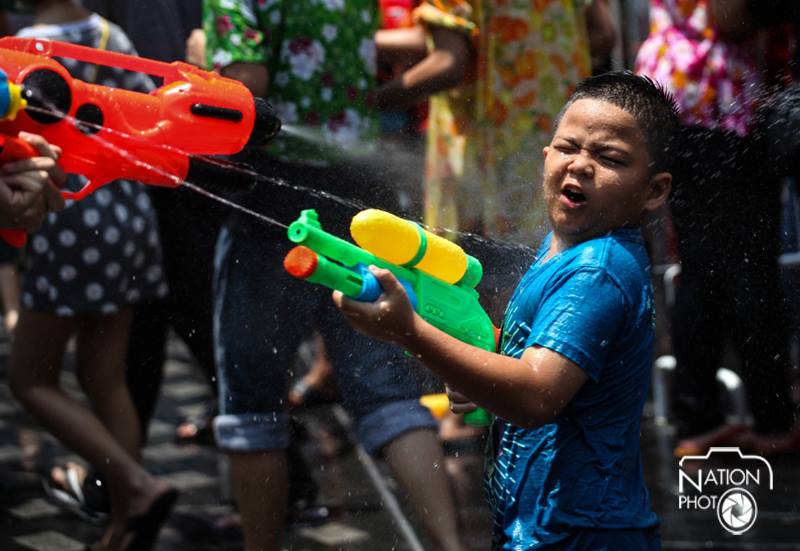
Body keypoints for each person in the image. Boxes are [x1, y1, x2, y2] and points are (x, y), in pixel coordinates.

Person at [334, 71, 677, 549]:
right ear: (545, 156)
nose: (579, 165)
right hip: (544, 525)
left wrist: (409, 330)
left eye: (610, 158)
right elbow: (534, 360)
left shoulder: (596, 272)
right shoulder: (564, 249)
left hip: (583, 534)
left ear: (654, 191)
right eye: (567, 148)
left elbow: (536, 395)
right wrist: (486, 373)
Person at [203, 1, 465, 550]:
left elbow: (246, 87)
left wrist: (205, 61)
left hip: (270, 198)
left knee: (253, 406)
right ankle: (452, 545)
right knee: (389, 394)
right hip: (359, 190)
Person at [7, 1, 176, 550]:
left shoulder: (25, 47)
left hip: (64, 212)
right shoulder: (112, 35)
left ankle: (136, 486)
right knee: (107, 379)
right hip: (125, 211)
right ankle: (124, 526)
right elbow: (146, 119)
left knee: (30, 378)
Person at [635, 0, 799, 456]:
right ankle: (769, 420)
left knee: (702, 268)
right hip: (717, 100)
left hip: (680, 94)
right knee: (748, 270)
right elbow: (729, 13)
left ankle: (699, 416)